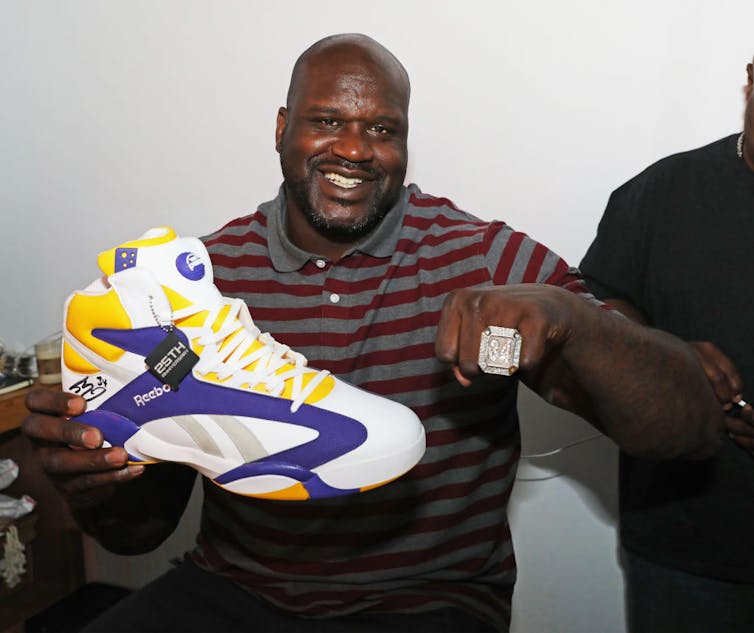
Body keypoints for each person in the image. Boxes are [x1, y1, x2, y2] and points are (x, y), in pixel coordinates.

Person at [22, 34, 724, 633]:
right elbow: (141, 529)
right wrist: (97, 480)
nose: (355, 148)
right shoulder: (206, 280)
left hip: (425, 601)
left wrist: (573, 321)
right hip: (234, 590)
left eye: (383, 129)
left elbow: (688, 427)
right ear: (280, 128)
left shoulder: (479, 258)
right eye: (327, 120)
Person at [579, 56, 754, 632]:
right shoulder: (660, 192)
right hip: (686, 553)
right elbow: (594, 309)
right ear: (751, 78)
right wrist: (660, 353)